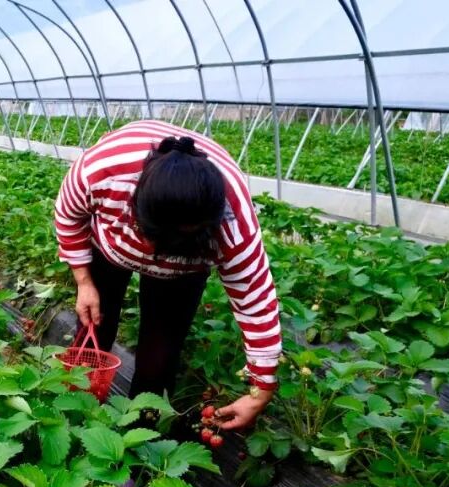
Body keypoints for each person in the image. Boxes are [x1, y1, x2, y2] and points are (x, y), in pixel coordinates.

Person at [55, 120, 282, 430]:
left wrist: (261, 390)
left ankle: (139, 436)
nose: (158, 255)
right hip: (111, 248)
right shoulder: (103, 170)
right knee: (94, 323)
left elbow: (255, 298)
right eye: (154, 237)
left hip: (182, 276)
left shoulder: (232, 221)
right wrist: (84, 282)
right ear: (135, 208)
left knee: (159, 358)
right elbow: (68, 216)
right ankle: (76, 415)